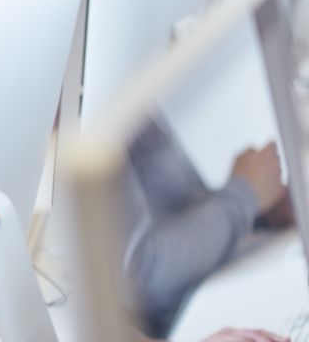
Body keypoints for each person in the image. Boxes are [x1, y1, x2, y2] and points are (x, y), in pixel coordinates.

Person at [123, 120, 291, 337]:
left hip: (222, 281)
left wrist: (259, 211)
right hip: (191, 315)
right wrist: (244, 197)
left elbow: (180, 208)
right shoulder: (83, 118)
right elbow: (146, 273)